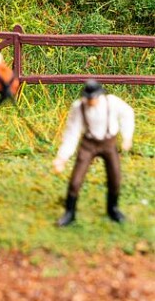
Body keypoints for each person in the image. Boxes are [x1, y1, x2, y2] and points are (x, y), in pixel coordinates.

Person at [52, 79, 134, 226]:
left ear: (99, 95)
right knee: (76, 179)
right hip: (89, 144)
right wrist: (62, 158)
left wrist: (127, 136)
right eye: (88, 98)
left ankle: (113, 209)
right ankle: (70, 213)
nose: (90, 101)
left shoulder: (112, 103)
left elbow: (128, 114)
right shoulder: (79, 107)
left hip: (109, 143)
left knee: (115, 176)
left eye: (93, 98)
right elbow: (72, 132)